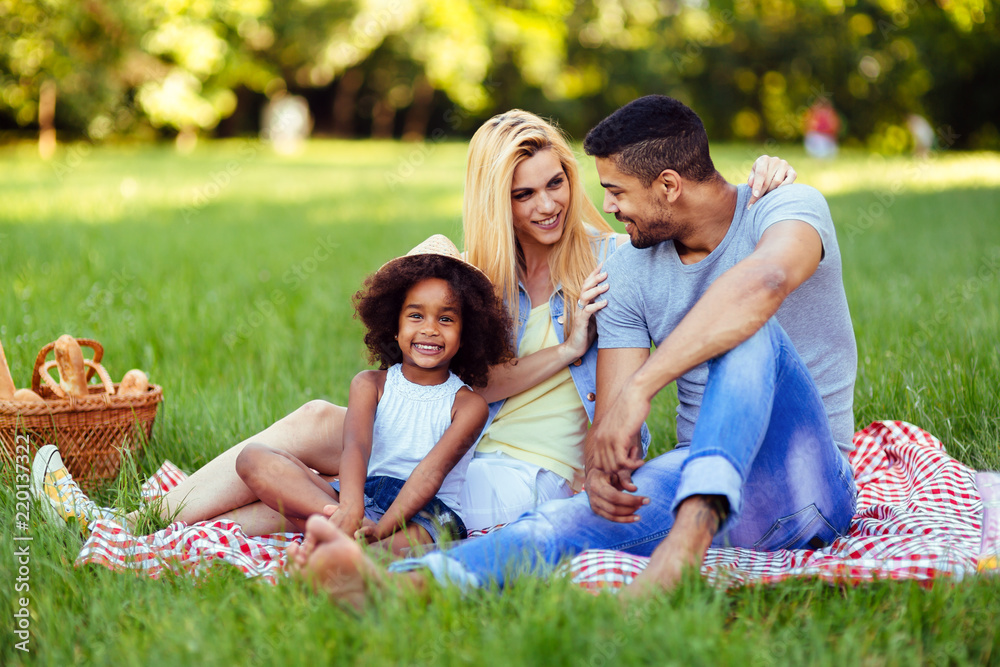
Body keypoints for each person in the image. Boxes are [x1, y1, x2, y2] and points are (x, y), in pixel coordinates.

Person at [31, 110, 796, 539]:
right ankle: (132, 521)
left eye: (555, 181)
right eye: (522, 192)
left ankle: (135, 527)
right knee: (310, 424)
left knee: (294, 490)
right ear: (496, 198)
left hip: (504, 463)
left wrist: (761, 180)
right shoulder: (478, 274)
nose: (547, 204)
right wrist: (442, 260)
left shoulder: (608, 259)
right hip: (450, 433)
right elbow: (456, 364)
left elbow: (706, 252)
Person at [289, 95, 858, 605]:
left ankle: (684, 550)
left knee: (750, 327)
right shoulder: (632, 266)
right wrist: (603, 470)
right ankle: (402, 587)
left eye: (615, 192)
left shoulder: (785, 207)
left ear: (667, 185)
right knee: (554, 524)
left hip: (809, 480)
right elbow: (611, 422)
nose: (605, 208)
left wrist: (642, 389)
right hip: (692, 480)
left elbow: (762, 285)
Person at [232, 235, 513, 554]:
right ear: (394, 325)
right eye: (416, 316)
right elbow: (355, 448)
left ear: (467, 334)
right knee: (254, 459)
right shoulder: (370, 385)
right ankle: (347, 534)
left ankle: (350, 545)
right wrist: (352, 509)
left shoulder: (468, 405)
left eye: (446, 319)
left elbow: (429, 474)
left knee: (410, 542)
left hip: (426, 513)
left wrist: (381, 528)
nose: (430, 329)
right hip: (364, 494)